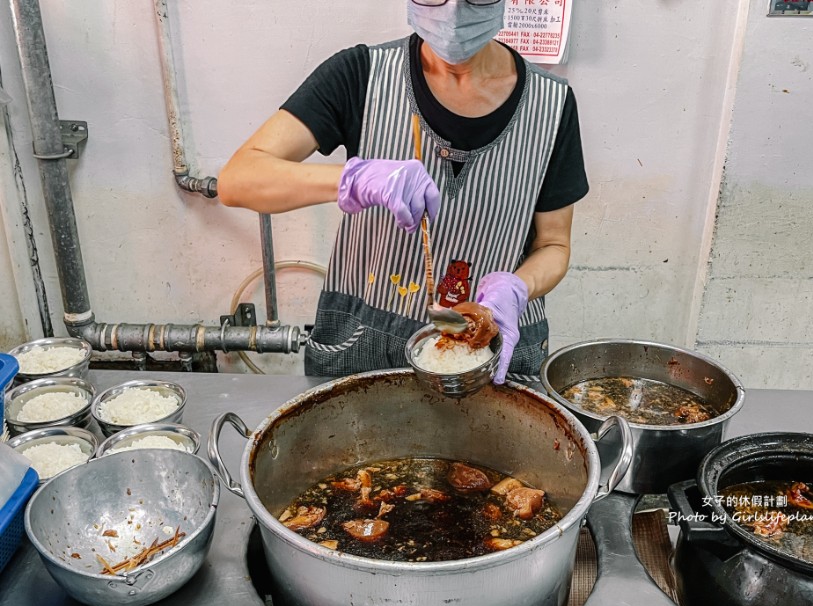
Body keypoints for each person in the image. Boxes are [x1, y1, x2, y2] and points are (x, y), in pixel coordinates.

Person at [217, 0, 588, 384]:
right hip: (362, 343)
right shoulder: (361, 76)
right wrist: (353, 179)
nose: (454, 12)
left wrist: (519, 287)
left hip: (486, 350)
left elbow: (554, 245)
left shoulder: (551, 106)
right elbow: (238, 180)